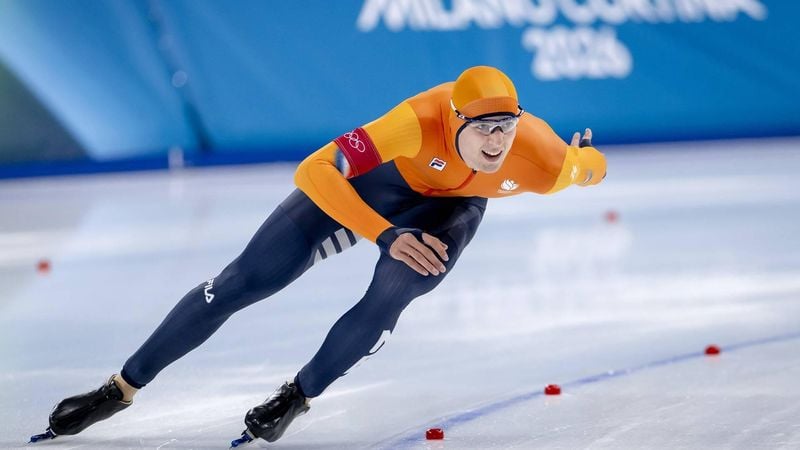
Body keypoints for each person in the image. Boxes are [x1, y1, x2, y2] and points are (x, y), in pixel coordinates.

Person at [31, 66, 606, 445]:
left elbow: (590, 168)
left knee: (394, 290)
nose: (497, 143)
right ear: (454, 119)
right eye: (484, 129)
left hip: (449, 213)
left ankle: (298, 395)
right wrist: (383, 232)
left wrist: (583, 164)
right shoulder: (414, 123)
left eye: (506, 128)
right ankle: (120, 388)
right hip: (373, 192)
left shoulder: (539, 158)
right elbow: (314, 169)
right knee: (240, 282)